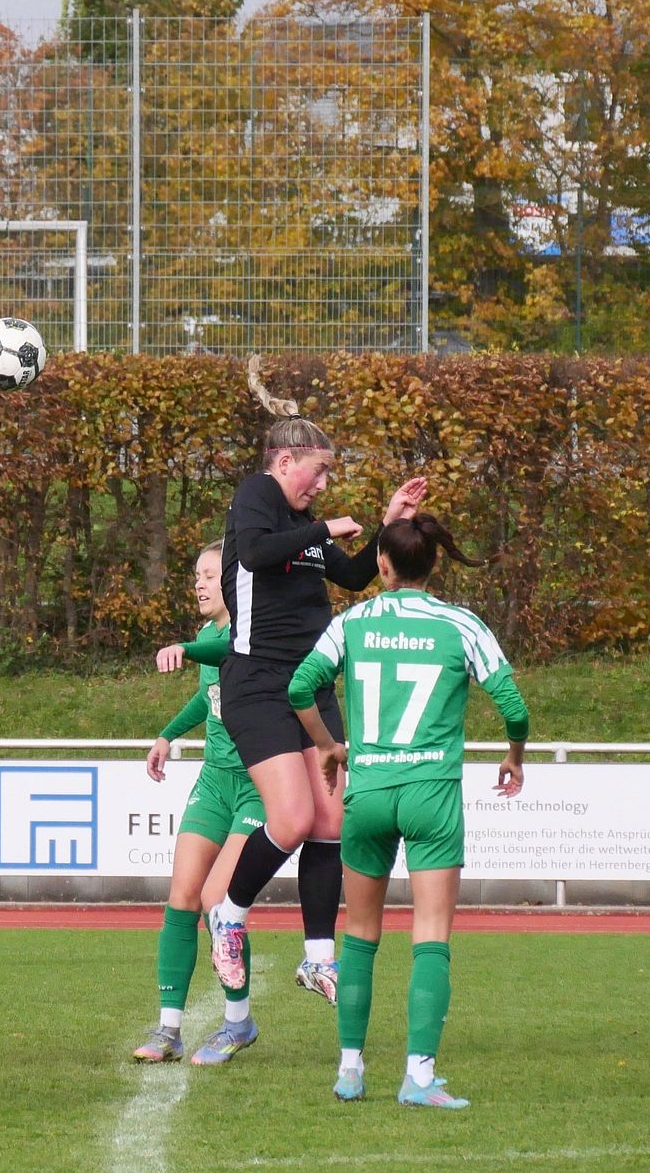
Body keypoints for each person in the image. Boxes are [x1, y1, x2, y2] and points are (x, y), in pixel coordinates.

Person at [194, 359, 424, 995]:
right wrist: (324, 528)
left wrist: (389, 521)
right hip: (257, 683)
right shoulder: (257, 495)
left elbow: (352, 575)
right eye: (318, 471)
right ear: (284, 461)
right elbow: (257, 553)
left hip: (310, 686)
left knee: (330, 823)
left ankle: (318, 956)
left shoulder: (303, 525)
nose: (322, 484)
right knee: (292, 819)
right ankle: (229, 914)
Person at [288, 513, 528, 1108]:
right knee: (431, 938)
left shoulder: (353, 622)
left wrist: (328, 747)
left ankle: (350, 1070)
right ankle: (418, 1077)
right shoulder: (461, 624)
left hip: (368, 793)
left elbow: (299, 688)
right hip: (430, 795)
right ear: (435, 563)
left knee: (359, 936)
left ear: (382, 565)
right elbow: (514, 708)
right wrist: (514, 756)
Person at [133, 541, 263, 1065]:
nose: (200, 584)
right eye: (196, 577)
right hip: (213, 781)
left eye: (209, 575)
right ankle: (169, 1030)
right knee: (182, 897)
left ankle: (238, 1022)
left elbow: (229, 653)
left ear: (234, 581)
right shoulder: (209, 634)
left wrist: (185, 648)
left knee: (218, 900)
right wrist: (167, 734)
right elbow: (208, 695)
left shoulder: (252, 634)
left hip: (257, 784)